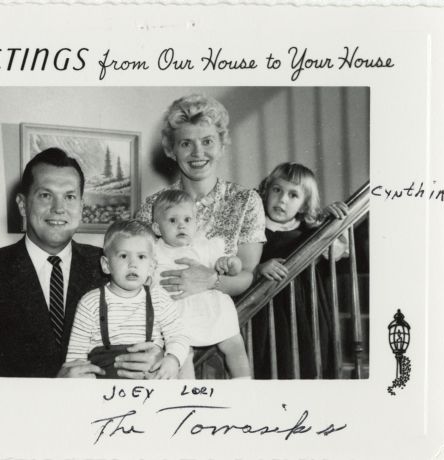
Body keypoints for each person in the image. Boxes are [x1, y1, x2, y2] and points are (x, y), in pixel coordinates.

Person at [0, 148, 161, 378]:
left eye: (69, 196)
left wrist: (158, 355)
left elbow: (153, 328)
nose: (58, 208)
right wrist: (52, 387)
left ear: (82, 207)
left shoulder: (111, 266)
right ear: (23, 205)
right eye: (45, 195)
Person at [136, 94, 266, 303]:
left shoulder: (246, 201)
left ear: (222, 146)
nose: (198, 153)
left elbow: (247, 273)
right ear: (171, 150)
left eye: (207, 141)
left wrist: (209, 281)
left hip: (222, 321)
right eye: (186, 143)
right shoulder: (152, 206)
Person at [251, 162, 348, 379]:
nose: (282, 199)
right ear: (266, 192)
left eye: (293, 195)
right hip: (269, 313)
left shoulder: (310, 233)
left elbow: (336, 253)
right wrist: (258, 269)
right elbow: (240, 265)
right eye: (277, 190)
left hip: (308, 311)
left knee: (309, 363)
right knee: (275, 366)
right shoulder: (253, 230)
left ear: (304, 205)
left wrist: (331, 223)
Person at [66, 220, 190, 379]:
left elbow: (178, 336)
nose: (133, 264)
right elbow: (75, 355)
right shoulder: (90, 302)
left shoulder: (159, 299)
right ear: (106, 265)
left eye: (141, 256)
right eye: (123, 256)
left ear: (152, 266)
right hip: (103, 386)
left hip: (149, 383)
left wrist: (173, 359)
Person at [151, 190, 251, 378]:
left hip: (212, 308)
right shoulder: (155, 251)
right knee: (181, 353)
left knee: (234, 343)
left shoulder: (204, 246)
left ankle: (244, 385)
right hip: (178, 313)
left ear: (196, 224)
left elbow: (235, 268)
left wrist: (230, 264)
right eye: (173, 220)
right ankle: (187, 393)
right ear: (157, 229)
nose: (181, 225)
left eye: (187, 220)